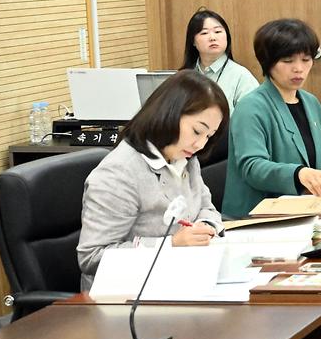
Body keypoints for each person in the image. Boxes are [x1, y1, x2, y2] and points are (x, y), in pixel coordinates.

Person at [77, 70, 227, 289]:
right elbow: (92, 257)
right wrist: (171, 245)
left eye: (209, 136)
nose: (201, 144)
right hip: (126, 294)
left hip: (182, 279)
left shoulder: (185, 157)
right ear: (169, 114)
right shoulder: (119, 173)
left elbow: (206, 207)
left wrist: (205, 227)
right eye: (197, 131)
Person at [221, 18, 321, 219]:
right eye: (288, 61)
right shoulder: (251, 107)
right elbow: (252, 167)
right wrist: (298, 173)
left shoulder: (310, 102)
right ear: (268, 62)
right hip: (257, 220)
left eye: (306, 59)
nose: (299, 68)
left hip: (309, 213)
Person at [180, 8, 256, 108]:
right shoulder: (183, 76)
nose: (212, 38)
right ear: (193, 41)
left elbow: (251, 115)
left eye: (218, 31)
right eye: (204, 33)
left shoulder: (241, 76)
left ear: (227, 37)